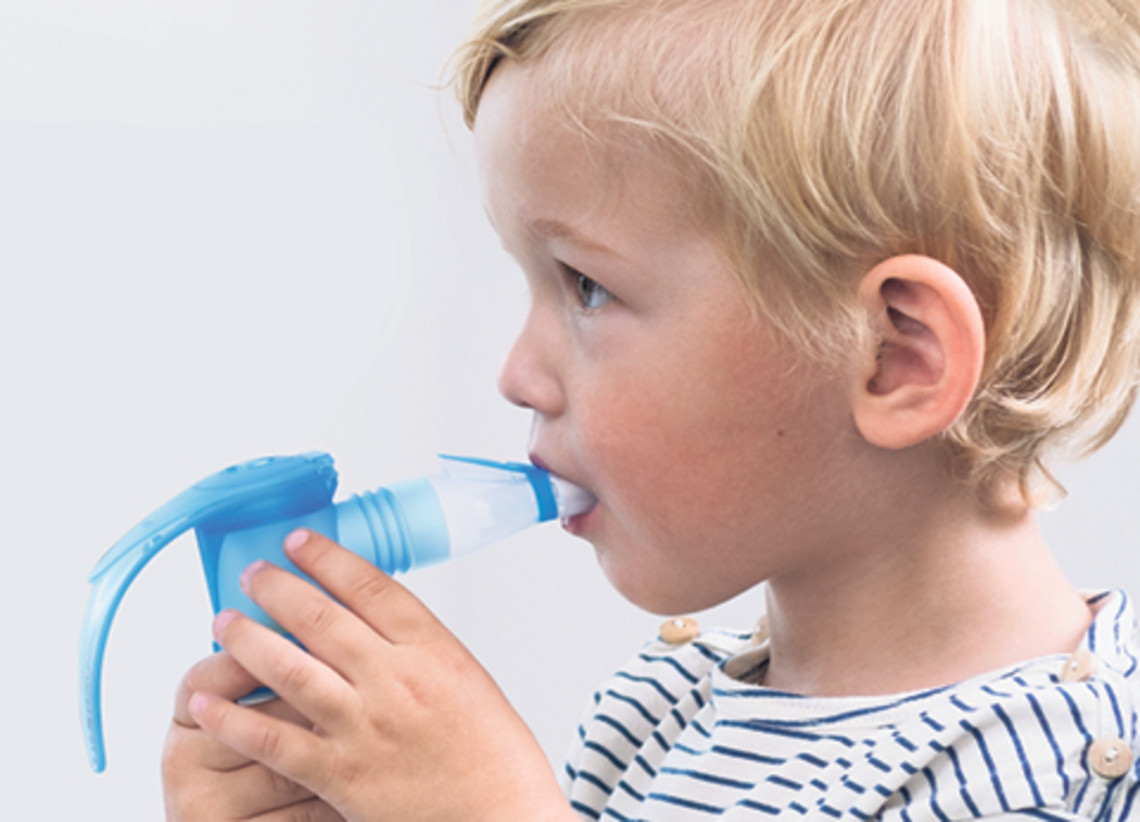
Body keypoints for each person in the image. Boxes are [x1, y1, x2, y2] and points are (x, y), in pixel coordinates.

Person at [160, 0, 1140, 819]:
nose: (516, 373)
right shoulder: (661, 707)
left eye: (586, 286)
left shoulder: (1072, 770)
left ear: (895, 356)